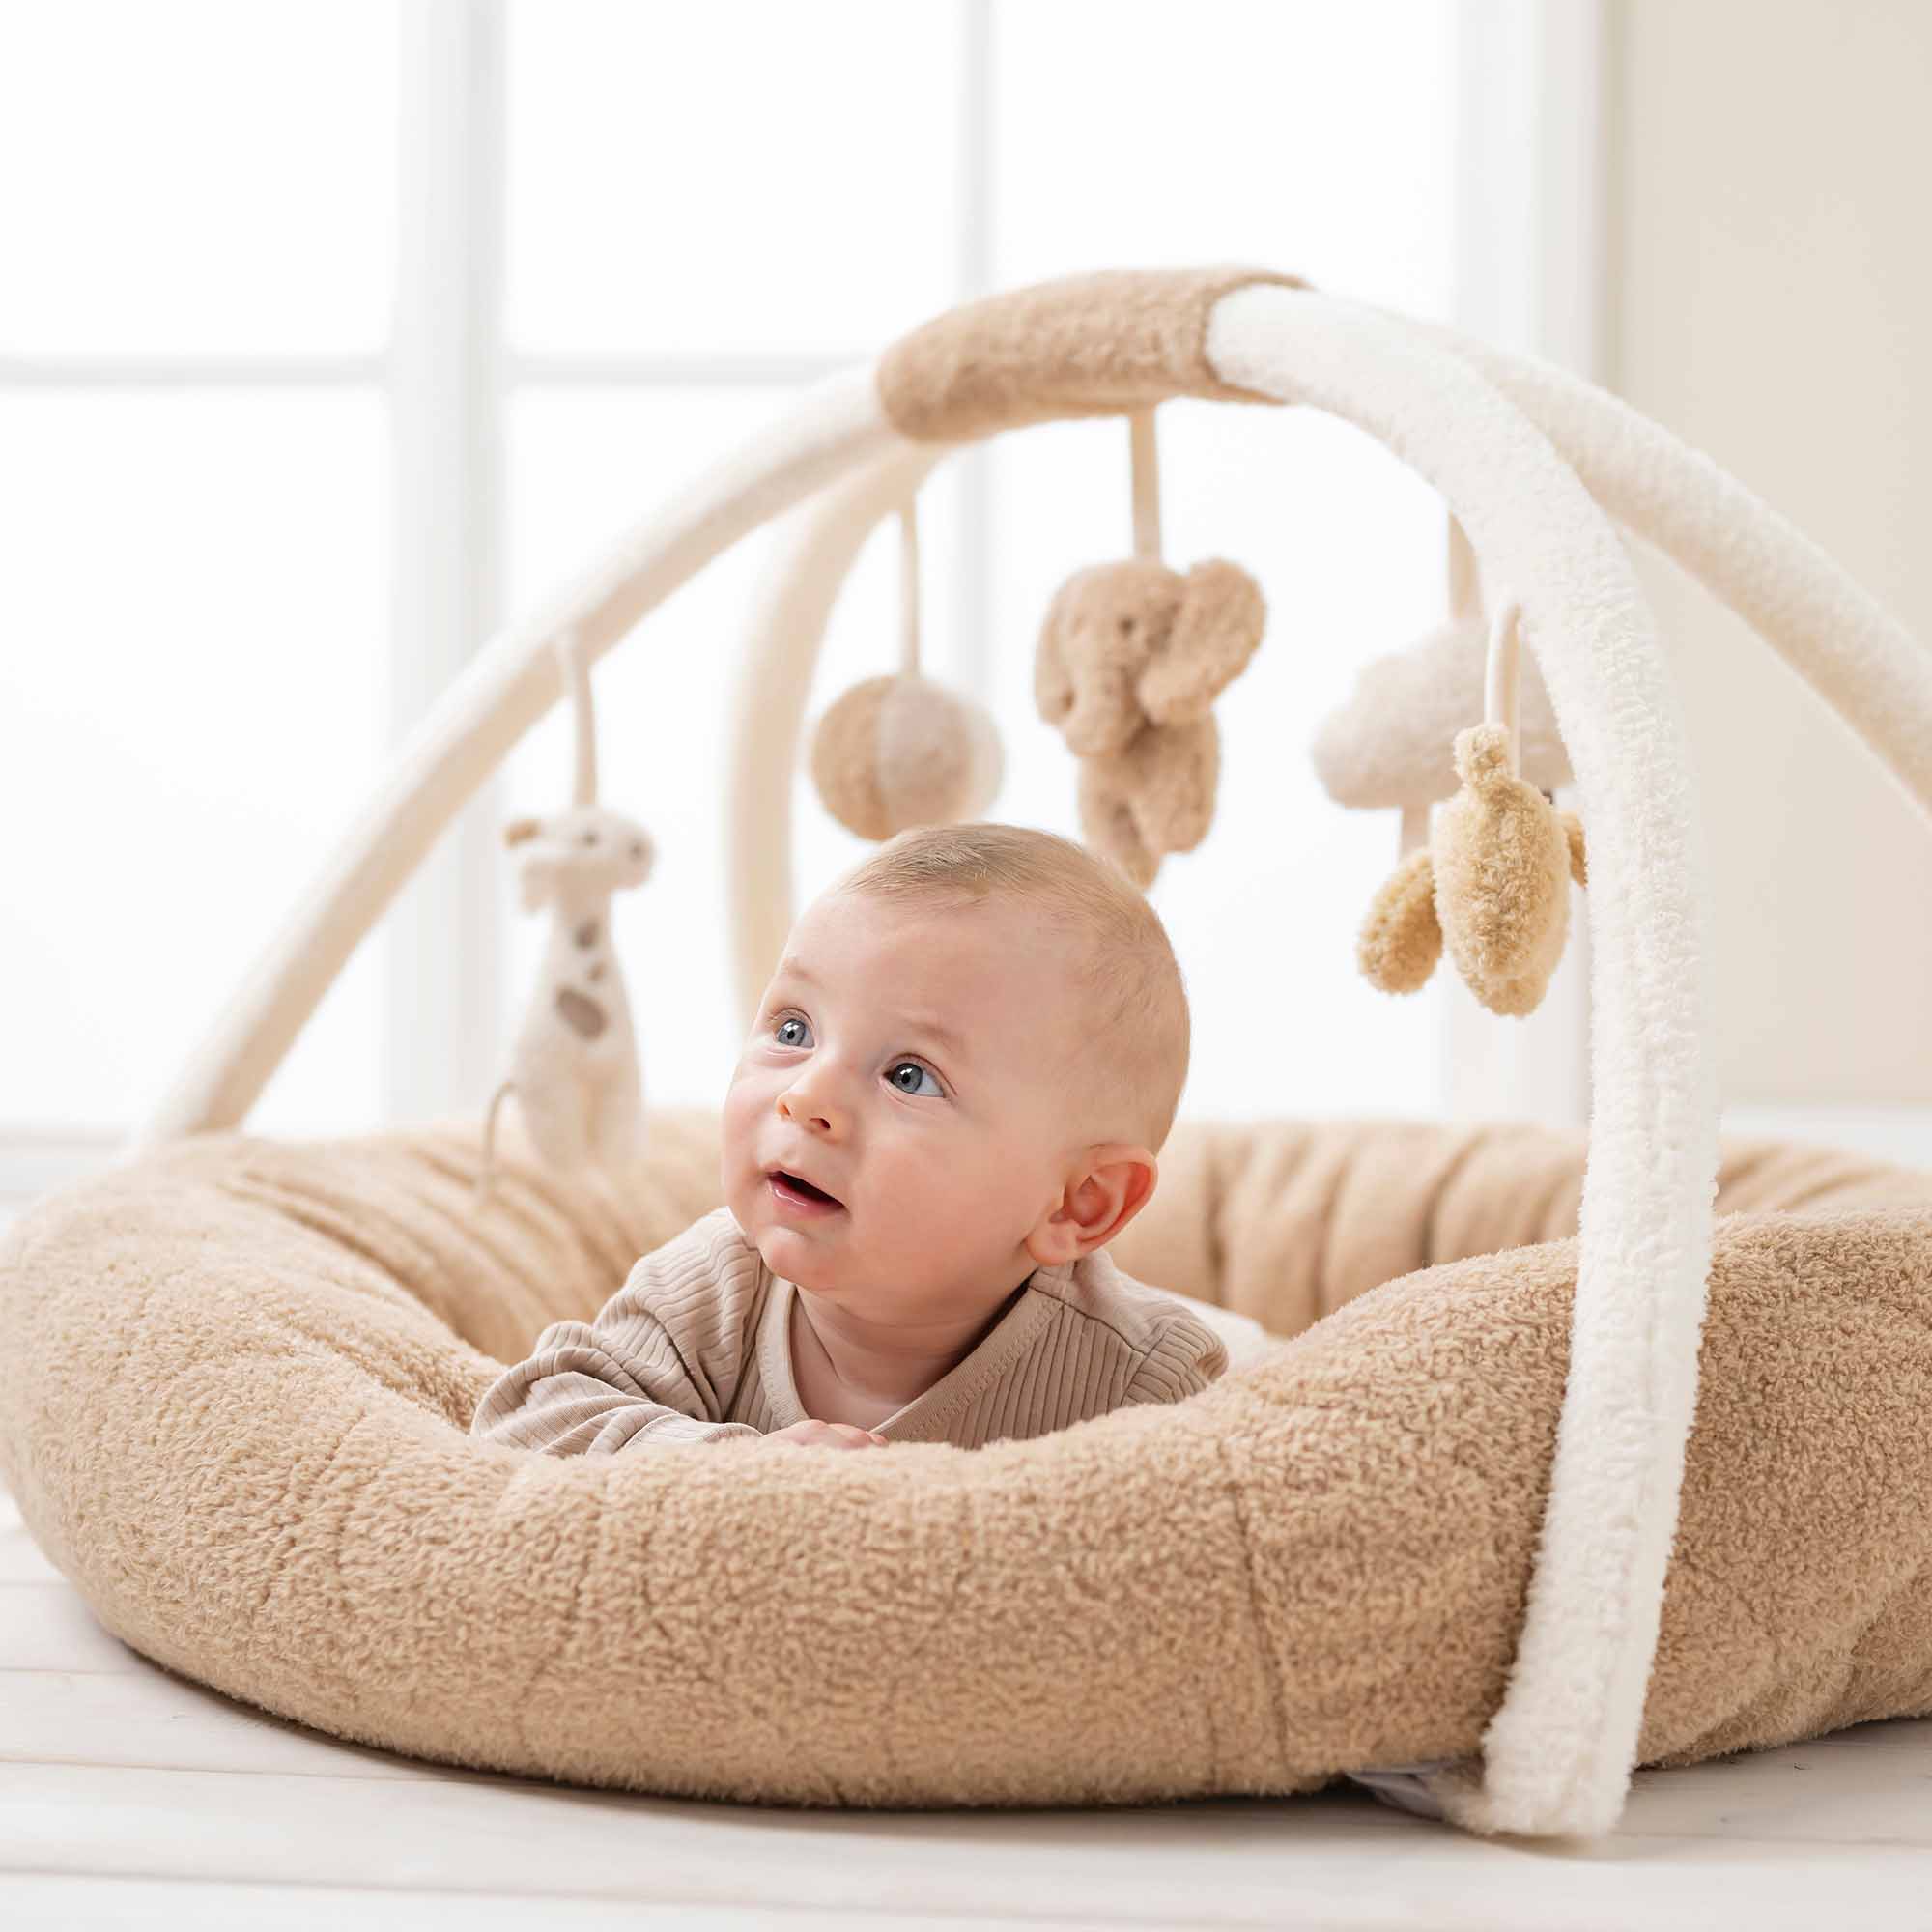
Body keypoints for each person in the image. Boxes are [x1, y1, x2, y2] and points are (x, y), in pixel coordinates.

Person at [469, 820, 1227, 1454]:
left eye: (909, 1076)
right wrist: (718, 1467)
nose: (806, 1098)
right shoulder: (714, 1289)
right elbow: (525, 1422)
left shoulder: (1140, 1380)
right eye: (793, 1028)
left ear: (1079, 1205)